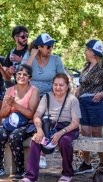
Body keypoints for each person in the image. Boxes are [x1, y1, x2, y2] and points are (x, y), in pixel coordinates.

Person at [18, 73, 80, 182]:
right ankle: (31, 176)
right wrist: (39, 130)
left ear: (67, 86)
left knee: (65, 141)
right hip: (49, 126)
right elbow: (36, 116)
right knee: (36, 140)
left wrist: (61, 132)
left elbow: (75, 123)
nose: (58, 87)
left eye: (61, 85)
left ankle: (67, 173)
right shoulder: (47, 97)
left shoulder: (72, 99)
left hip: (68, 128)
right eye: (55, 84)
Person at [22, 33, 66, 169]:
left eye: (51, 46)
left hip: (50, 95)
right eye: (47, 46)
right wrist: (33, 55)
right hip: (31, 94)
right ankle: (28, 156)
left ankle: (42, 154)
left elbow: (62, 76)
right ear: (39, 46)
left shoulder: (56, 59)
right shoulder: (30, 57)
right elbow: (22, 71)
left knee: (45, 120)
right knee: (30, 121)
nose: (50, 49)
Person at [0, 64, 39, 180]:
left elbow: (31, 114)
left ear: (30, 78)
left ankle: (20, 170)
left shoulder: (34, 91)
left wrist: (15, 104)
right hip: (11, 122)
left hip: (28, 124)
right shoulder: (9, 90)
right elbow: (2, 114)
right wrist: (8, 106)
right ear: (15, 75)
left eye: (25, 75)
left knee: (15, 136)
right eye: (19, 74)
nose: (21, 76)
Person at [75, 39, 103, 174]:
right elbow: (83, 82)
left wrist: (102, 93)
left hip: (96, 102)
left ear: (93, 52)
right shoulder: (86, 66)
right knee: (85, 132)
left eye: (87, 49)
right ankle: (87, 163)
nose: (85, 51)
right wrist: (78, 89)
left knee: (97, 132)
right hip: (82, 102)